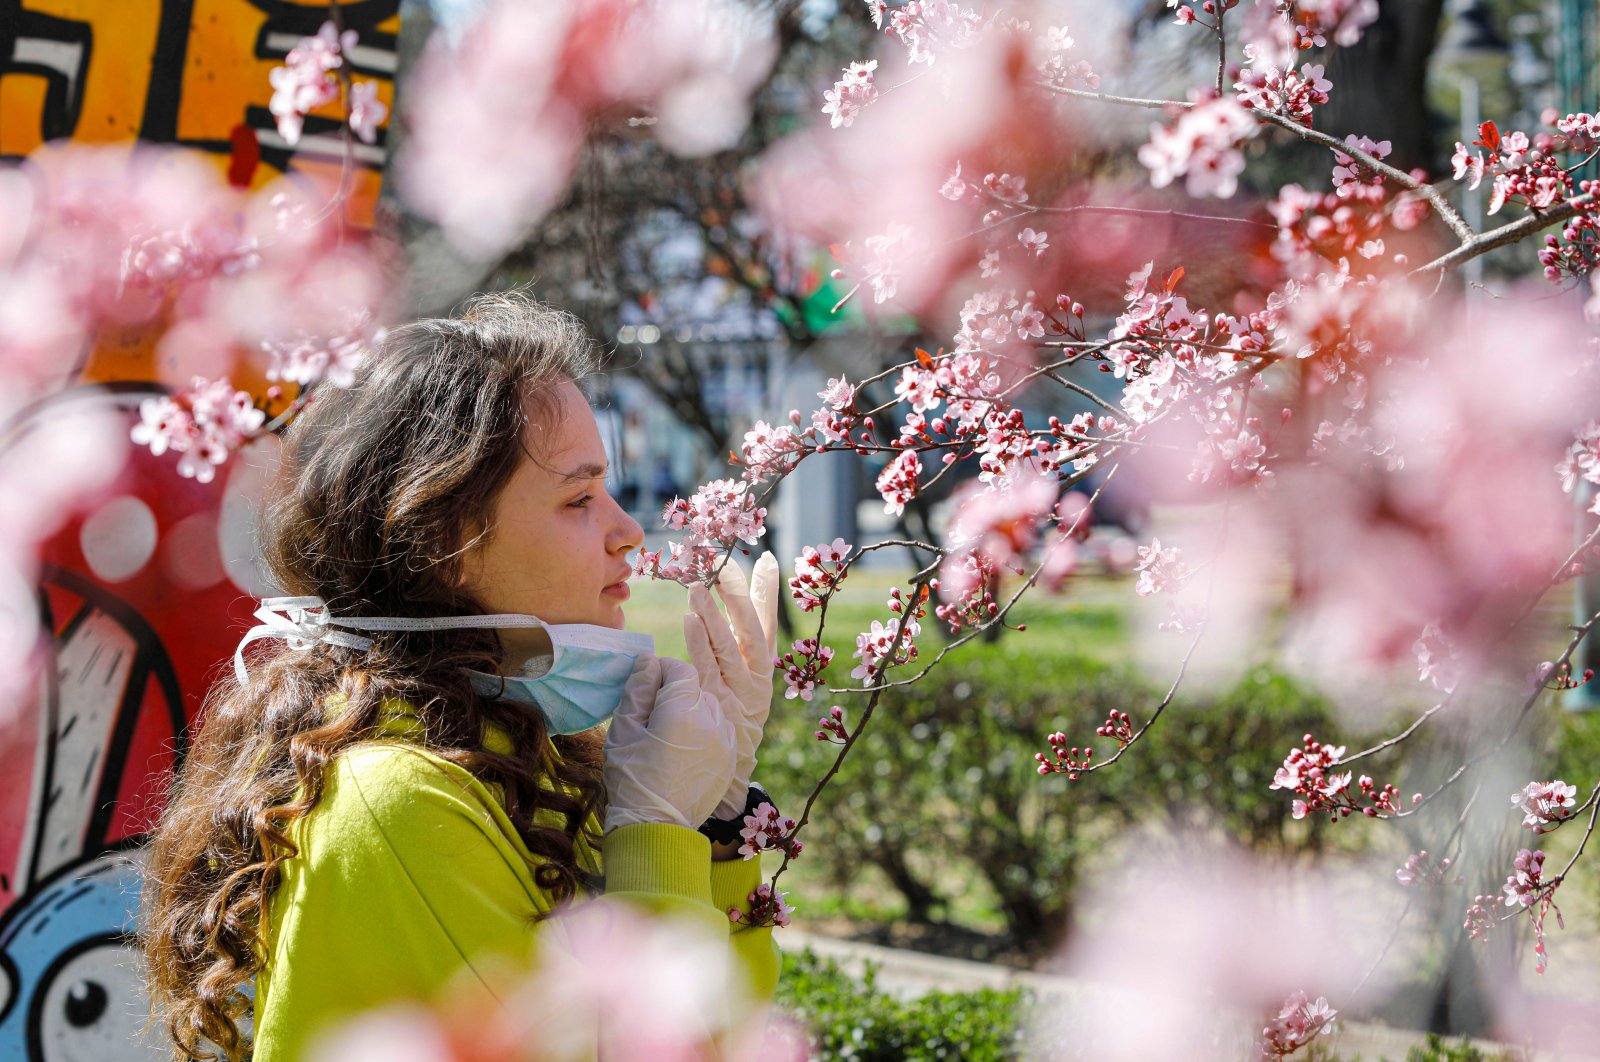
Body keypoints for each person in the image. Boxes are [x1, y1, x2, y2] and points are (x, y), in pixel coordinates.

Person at [139, 292, 783, 1061]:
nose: (629, 531)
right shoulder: (398, 801)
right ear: (446, 542)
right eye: (578, 498)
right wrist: (654, 834)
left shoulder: (505, 750)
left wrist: (714, 824)